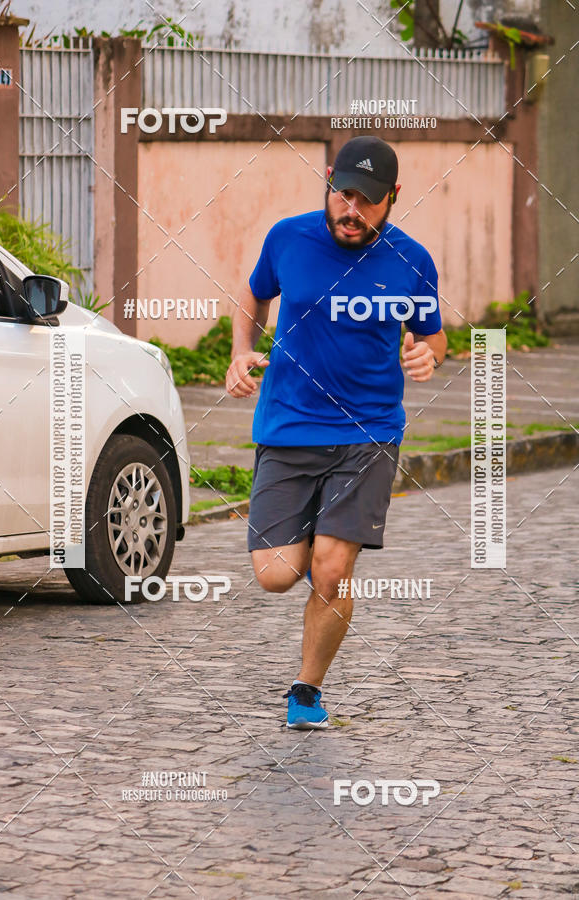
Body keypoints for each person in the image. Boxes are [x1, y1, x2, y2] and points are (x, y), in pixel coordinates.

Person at [225, 136, 446, 729]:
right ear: (328, 180)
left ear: (393, 197)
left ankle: (307, 691)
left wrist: (428, 354)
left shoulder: (412, 259)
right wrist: (241, 350)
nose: (353, 209)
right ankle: (319, 543)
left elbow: (434, 333)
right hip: (289, 425)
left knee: (330, 568)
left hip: (369, 433)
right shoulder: (288, 238)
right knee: (276, 574)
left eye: (368, 200)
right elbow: (254, 293)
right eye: (344, 194)